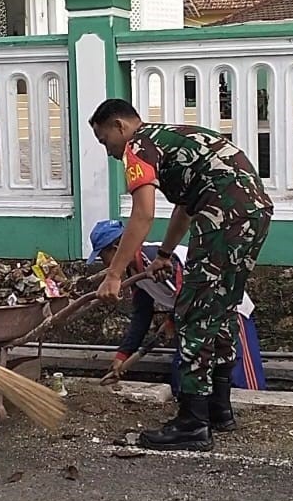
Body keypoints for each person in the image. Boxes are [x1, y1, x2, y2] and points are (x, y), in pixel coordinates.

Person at [90, 98, 273, 452]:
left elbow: (142, 215)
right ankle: (218, 410)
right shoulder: (173, 140)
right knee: (219, 310)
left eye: (104, 141)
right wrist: (163, 254)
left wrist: (113, 274)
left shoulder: (139, 145)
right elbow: (185, 209)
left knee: (192, 314)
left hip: (224, 215)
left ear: (119, 127)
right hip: (253, 212)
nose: (109, 152)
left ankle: (191, 423)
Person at [86, 219, 266, 433]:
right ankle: (200, 418)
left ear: (117, 249)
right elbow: (142, 315)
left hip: (227, 310)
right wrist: (122, 357)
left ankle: (244, 416)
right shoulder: (135, 273)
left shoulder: (153, 259)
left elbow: (188, 293)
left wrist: (173, 321)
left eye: (103, 256)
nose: (105, 264)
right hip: (196, 318)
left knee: (234, 368)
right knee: (186, 371)